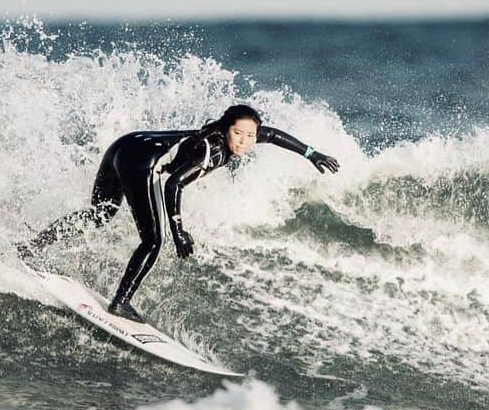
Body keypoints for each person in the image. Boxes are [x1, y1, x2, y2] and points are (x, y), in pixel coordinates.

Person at [18, 104, 340, 322]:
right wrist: (178, 229)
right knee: (154, 241)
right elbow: (172, 184)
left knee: (100, 214)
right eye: (238, 134)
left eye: (250, 136)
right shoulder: (210, 152)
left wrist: (312, 154)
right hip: (138, 162)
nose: (244, 141)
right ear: (226, 129)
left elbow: (274, 135)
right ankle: (121, 302)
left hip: (125, 145)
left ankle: (33, 246)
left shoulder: (243, 136)